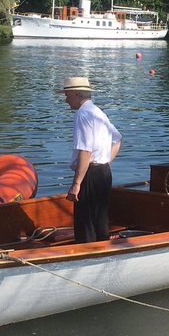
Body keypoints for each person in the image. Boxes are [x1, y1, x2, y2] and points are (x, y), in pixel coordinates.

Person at [60, 75, 122, 243]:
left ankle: (86, 256)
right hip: (103, 172)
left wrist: (76, 184)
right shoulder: (98, 113)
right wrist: (105, 161)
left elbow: (85, 151)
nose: (66, 100)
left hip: (90, 173)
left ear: (75, 94)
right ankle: (103, 251)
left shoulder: (83, 115)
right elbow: (117, 140)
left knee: (85, 222)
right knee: (100, 220)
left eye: (67, 95)